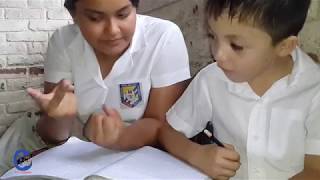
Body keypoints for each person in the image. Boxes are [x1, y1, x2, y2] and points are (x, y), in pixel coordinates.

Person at [0, 0, 190, 175]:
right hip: (68, 147)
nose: (112, 30)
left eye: (123, 15)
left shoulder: (163, 37)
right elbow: (53, 137)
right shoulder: (63, 41)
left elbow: (162, 126)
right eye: (95, 18)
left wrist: (121, 136)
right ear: (73, 14)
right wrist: (59, 117)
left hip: (137, 146)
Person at [156, 0, 320, 179]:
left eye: (236, 45)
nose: (218, 55)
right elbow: (168, 132)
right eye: (212, 36)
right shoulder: (212, 78)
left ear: (285, 46)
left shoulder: (314, 89)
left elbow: (315, 170)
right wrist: (196, 154)